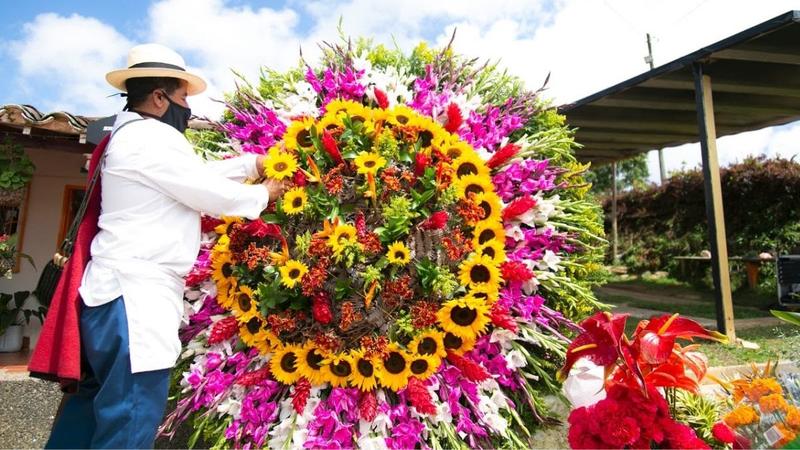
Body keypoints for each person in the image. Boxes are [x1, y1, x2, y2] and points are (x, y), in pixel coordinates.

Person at [43, 43, 284, 449]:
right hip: (135, 301)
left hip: (113, 296)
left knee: (89, 413)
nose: (187, 109)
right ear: (159, 97)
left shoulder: (133, 137)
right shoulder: (152, 138)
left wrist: (249, 165)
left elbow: (188, 176)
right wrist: (264, 194)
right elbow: (203, 191)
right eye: (183, 98)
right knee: (130, 420)